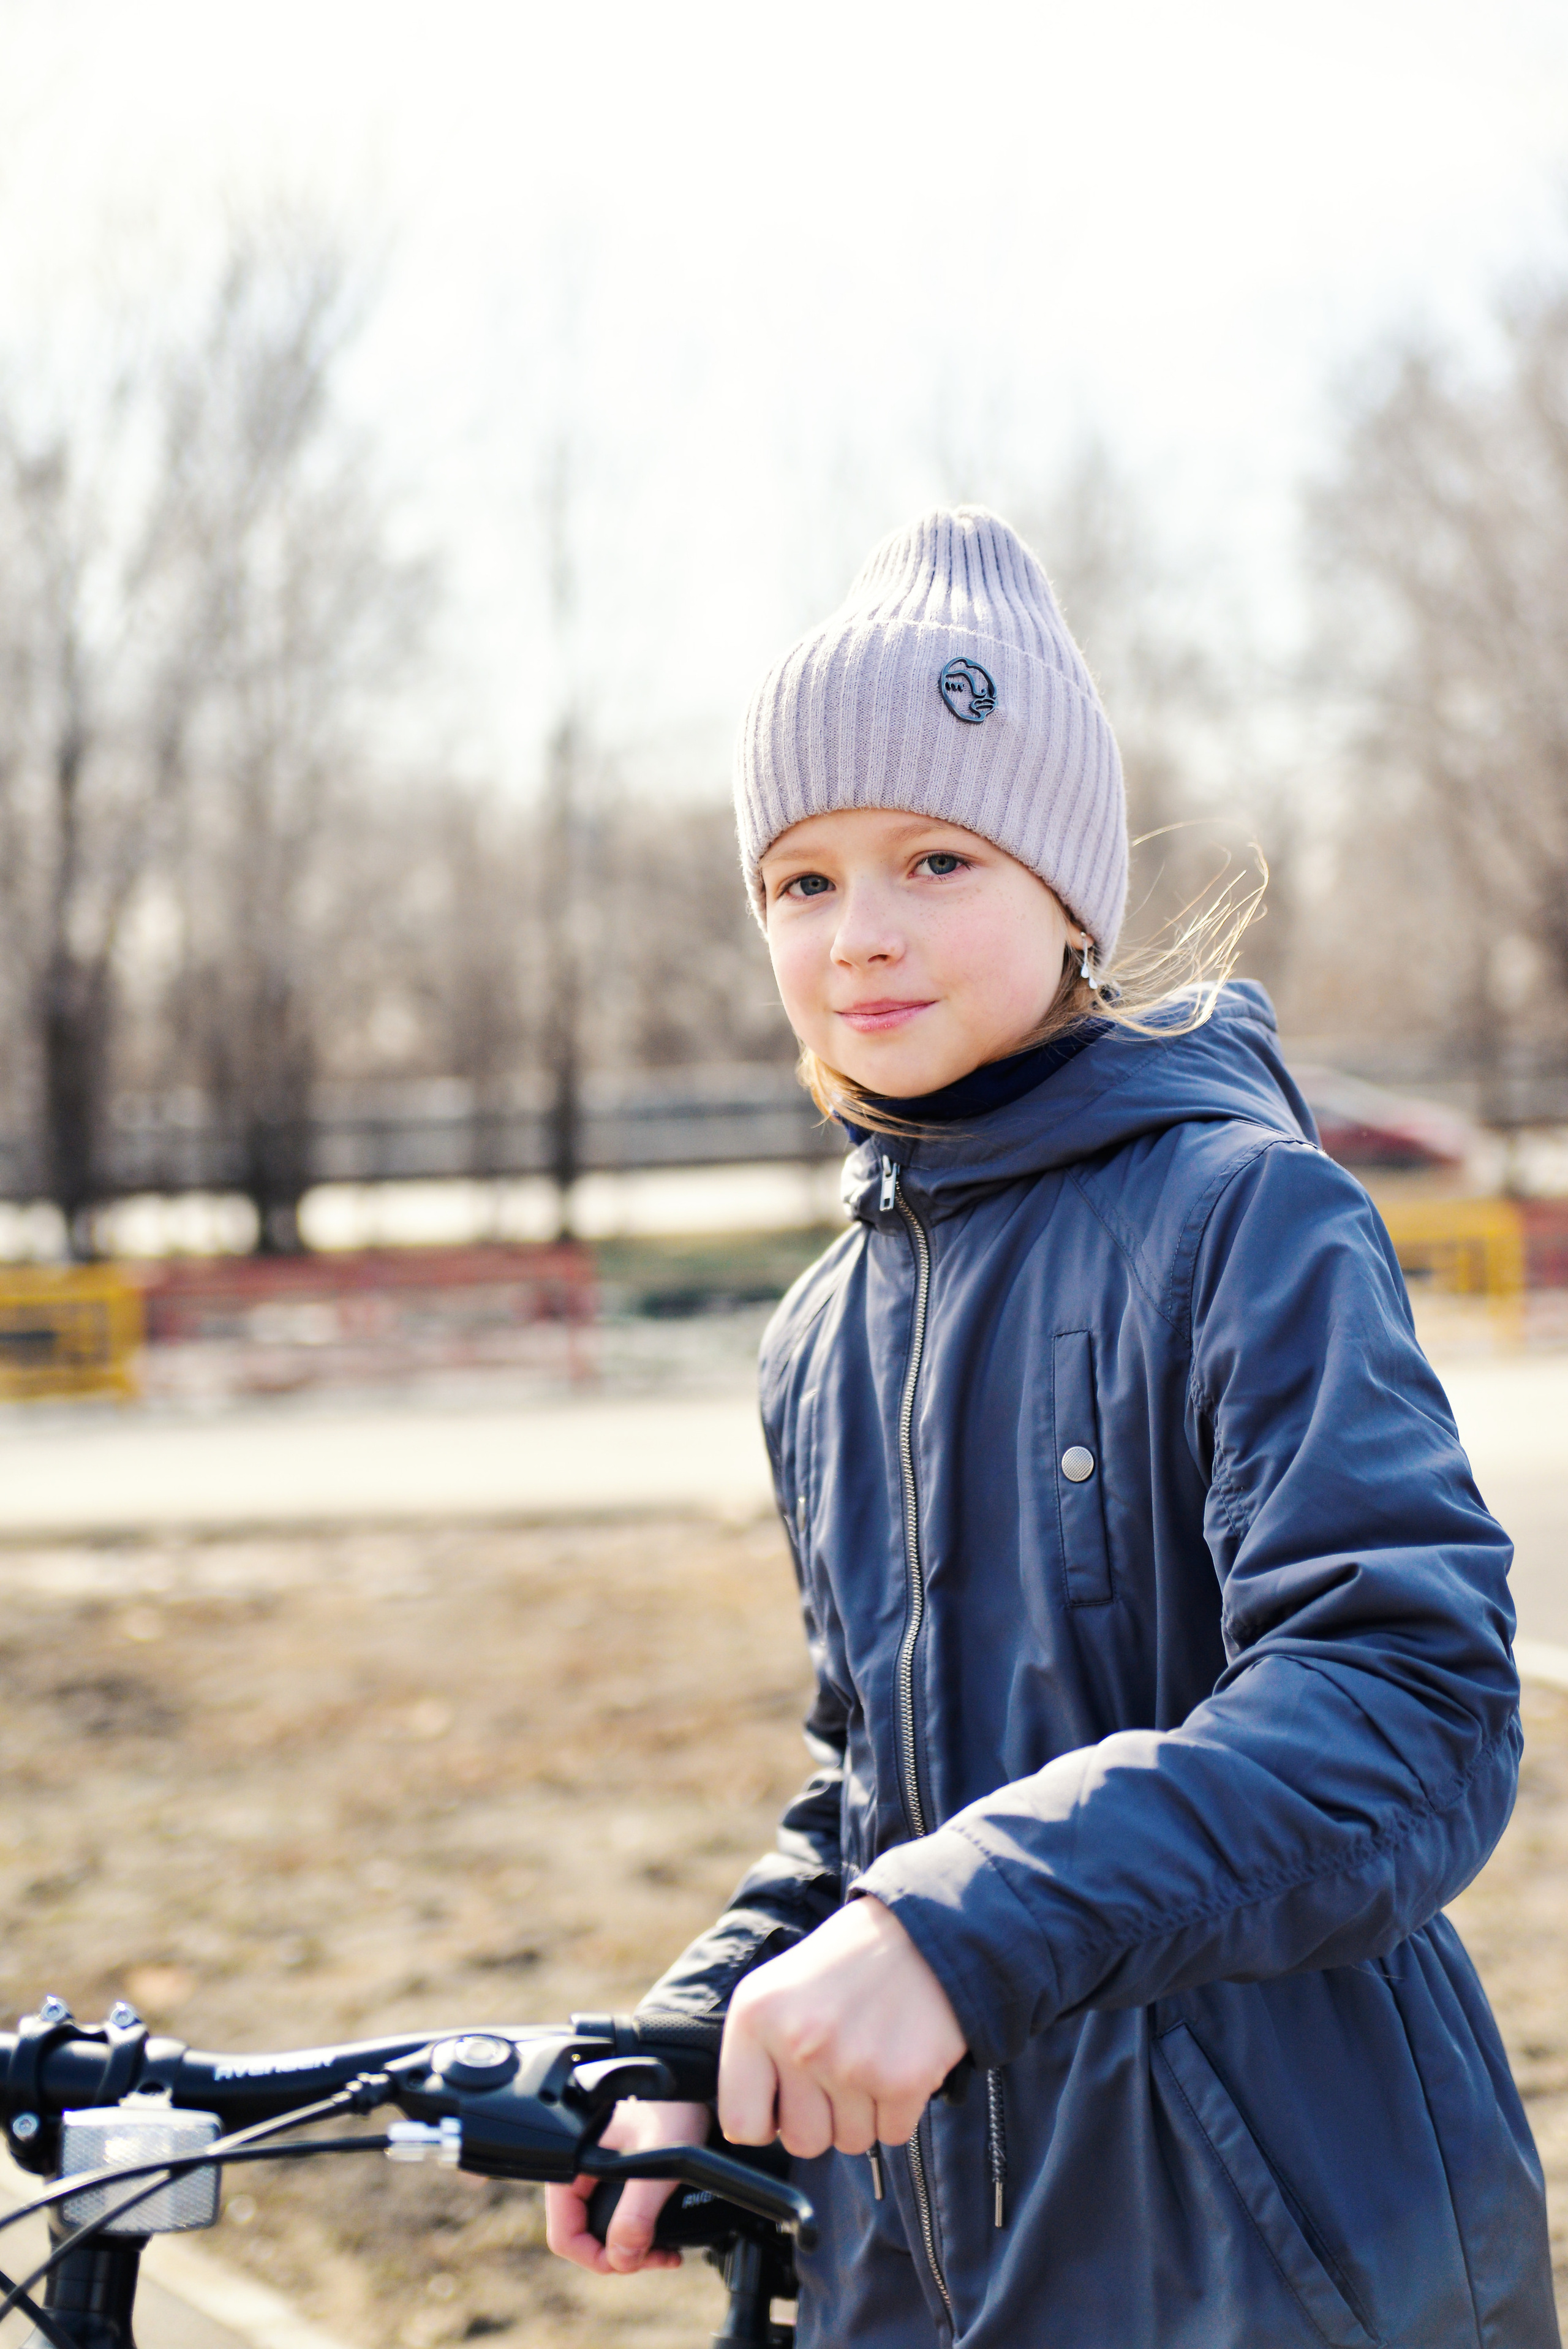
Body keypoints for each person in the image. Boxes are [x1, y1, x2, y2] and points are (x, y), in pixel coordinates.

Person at [546, 507, 1555, 2344]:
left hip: (1298, 2269)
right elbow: (875, 1788)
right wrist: (700, 2028)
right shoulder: (821, 1335)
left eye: (936, 856)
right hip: (931, 2276)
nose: (863, 934)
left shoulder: (1246, 1217)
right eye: (803, 880)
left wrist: (951, 1929)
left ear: (1071, 890)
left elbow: (1411, 1707)